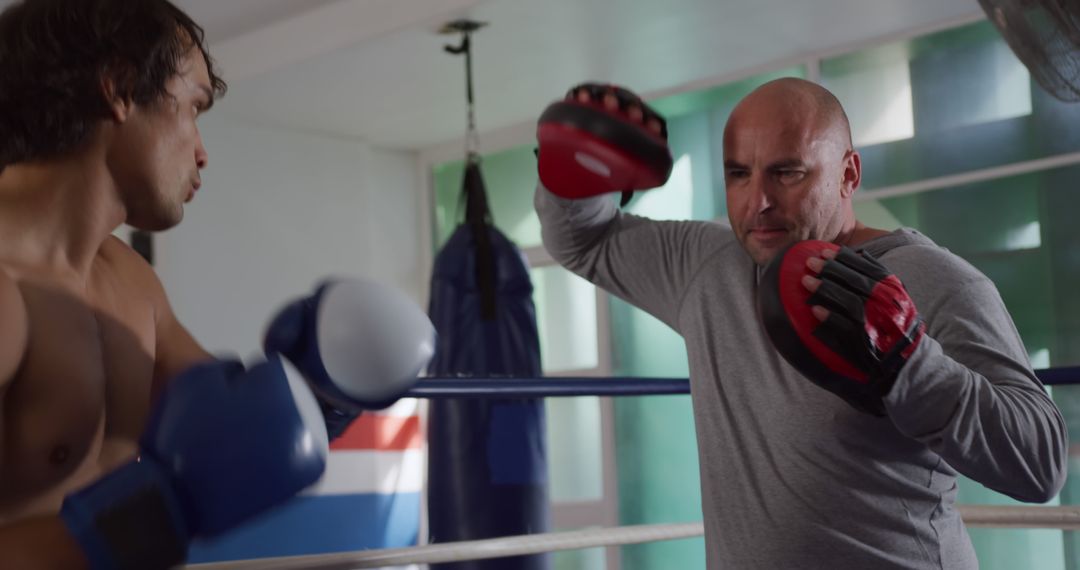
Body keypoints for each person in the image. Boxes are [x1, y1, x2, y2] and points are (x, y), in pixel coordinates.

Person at [534, 78, 1068, 569]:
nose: (758, 202)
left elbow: (1040, 463)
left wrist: (910, 366)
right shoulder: (708, 266)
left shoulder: (937, 282)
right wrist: (574, 175)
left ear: (849, 174)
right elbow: (584, 239)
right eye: (739, 174)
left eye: (787, 173)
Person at [0, 1, 434, 568]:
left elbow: (245, 440)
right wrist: (148, 519)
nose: (202, 153)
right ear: (120, 88)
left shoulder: (134, 286)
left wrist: (321, 398)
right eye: (194, 108)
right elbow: (175, 501)